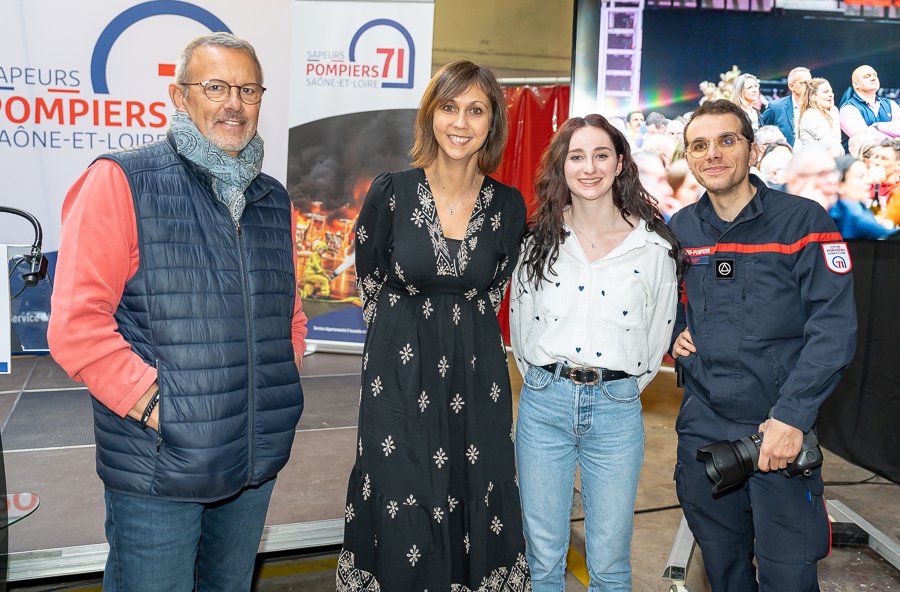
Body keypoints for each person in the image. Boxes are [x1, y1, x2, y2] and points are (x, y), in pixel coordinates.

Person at [47, 33, 306, 591]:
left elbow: (290, 315)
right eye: (215, 87)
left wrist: (274, 390)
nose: (234, 103)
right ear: (179, 95)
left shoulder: (273, 199)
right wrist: (161, 410)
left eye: (248, 90)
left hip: (253, 459)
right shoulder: (122, 180)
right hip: (159, 466)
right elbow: (77, 325)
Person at [336, 60, 531, 591]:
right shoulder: (390, 193)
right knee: (402, 492)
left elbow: (495, 290)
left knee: (475, 484)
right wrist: (405, 347)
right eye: (449, 107)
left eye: (476, 110)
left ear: (492, 123)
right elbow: (370, 282)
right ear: (429, 115)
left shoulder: (509, 206)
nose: (461, 122)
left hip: (477, 378)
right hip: (397, 382)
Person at [669, 99, 857, 591]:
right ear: (689, 158)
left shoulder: (804, 222)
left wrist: (792, 417)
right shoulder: (680, 230)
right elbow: (659, 301)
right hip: (704, 425)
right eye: (699, 145)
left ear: (753, 152)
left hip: (777, 425)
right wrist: (673, 331)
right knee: (723, 568)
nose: (713, 154)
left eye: (727, 141)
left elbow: (834, 327)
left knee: (789, 574)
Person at [510, 113, 680, 591]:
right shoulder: (536, 243)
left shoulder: (653, 248)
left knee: (610, 561)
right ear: (561, 166)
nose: (589, 168)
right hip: (543, 405)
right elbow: (522, 330)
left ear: (620, 163)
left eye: (601, 155)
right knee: (542, 558)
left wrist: (618, 390)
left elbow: (656, 339)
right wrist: (546, 380)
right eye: (577, 156)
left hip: (617, 411)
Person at [829, 156, 898, 239]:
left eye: (867, 175)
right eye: (860, 176)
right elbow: (889, 236)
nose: (868, 181)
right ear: (840, 186)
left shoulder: (850, 209)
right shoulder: (853, 215)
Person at [839, 65, 900, 147]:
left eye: (875, 75)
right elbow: (865, 139)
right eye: (867, 76)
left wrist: (878, 126)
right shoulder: (848, 109)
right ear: (856, 84)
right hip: (864, 155)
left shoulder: (891, 104)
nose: (873, 78)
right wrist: (895, 140)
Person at [760, 66, 811, 146]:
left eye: (810, 83)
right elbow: (760, 131)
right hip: (784, 152)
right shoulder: (776, 107)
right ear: (791, 86)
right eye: (803, 83)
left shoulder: (816, 107)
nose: (808, 86)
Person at [797, 78, 843, 154]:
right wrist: (834, 115)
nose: (831, 95)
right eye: (826, 92)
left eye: (831, 91)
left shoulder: (822, 114)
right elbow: (834, 146)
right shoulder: (812, 115)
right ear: (813, 97)